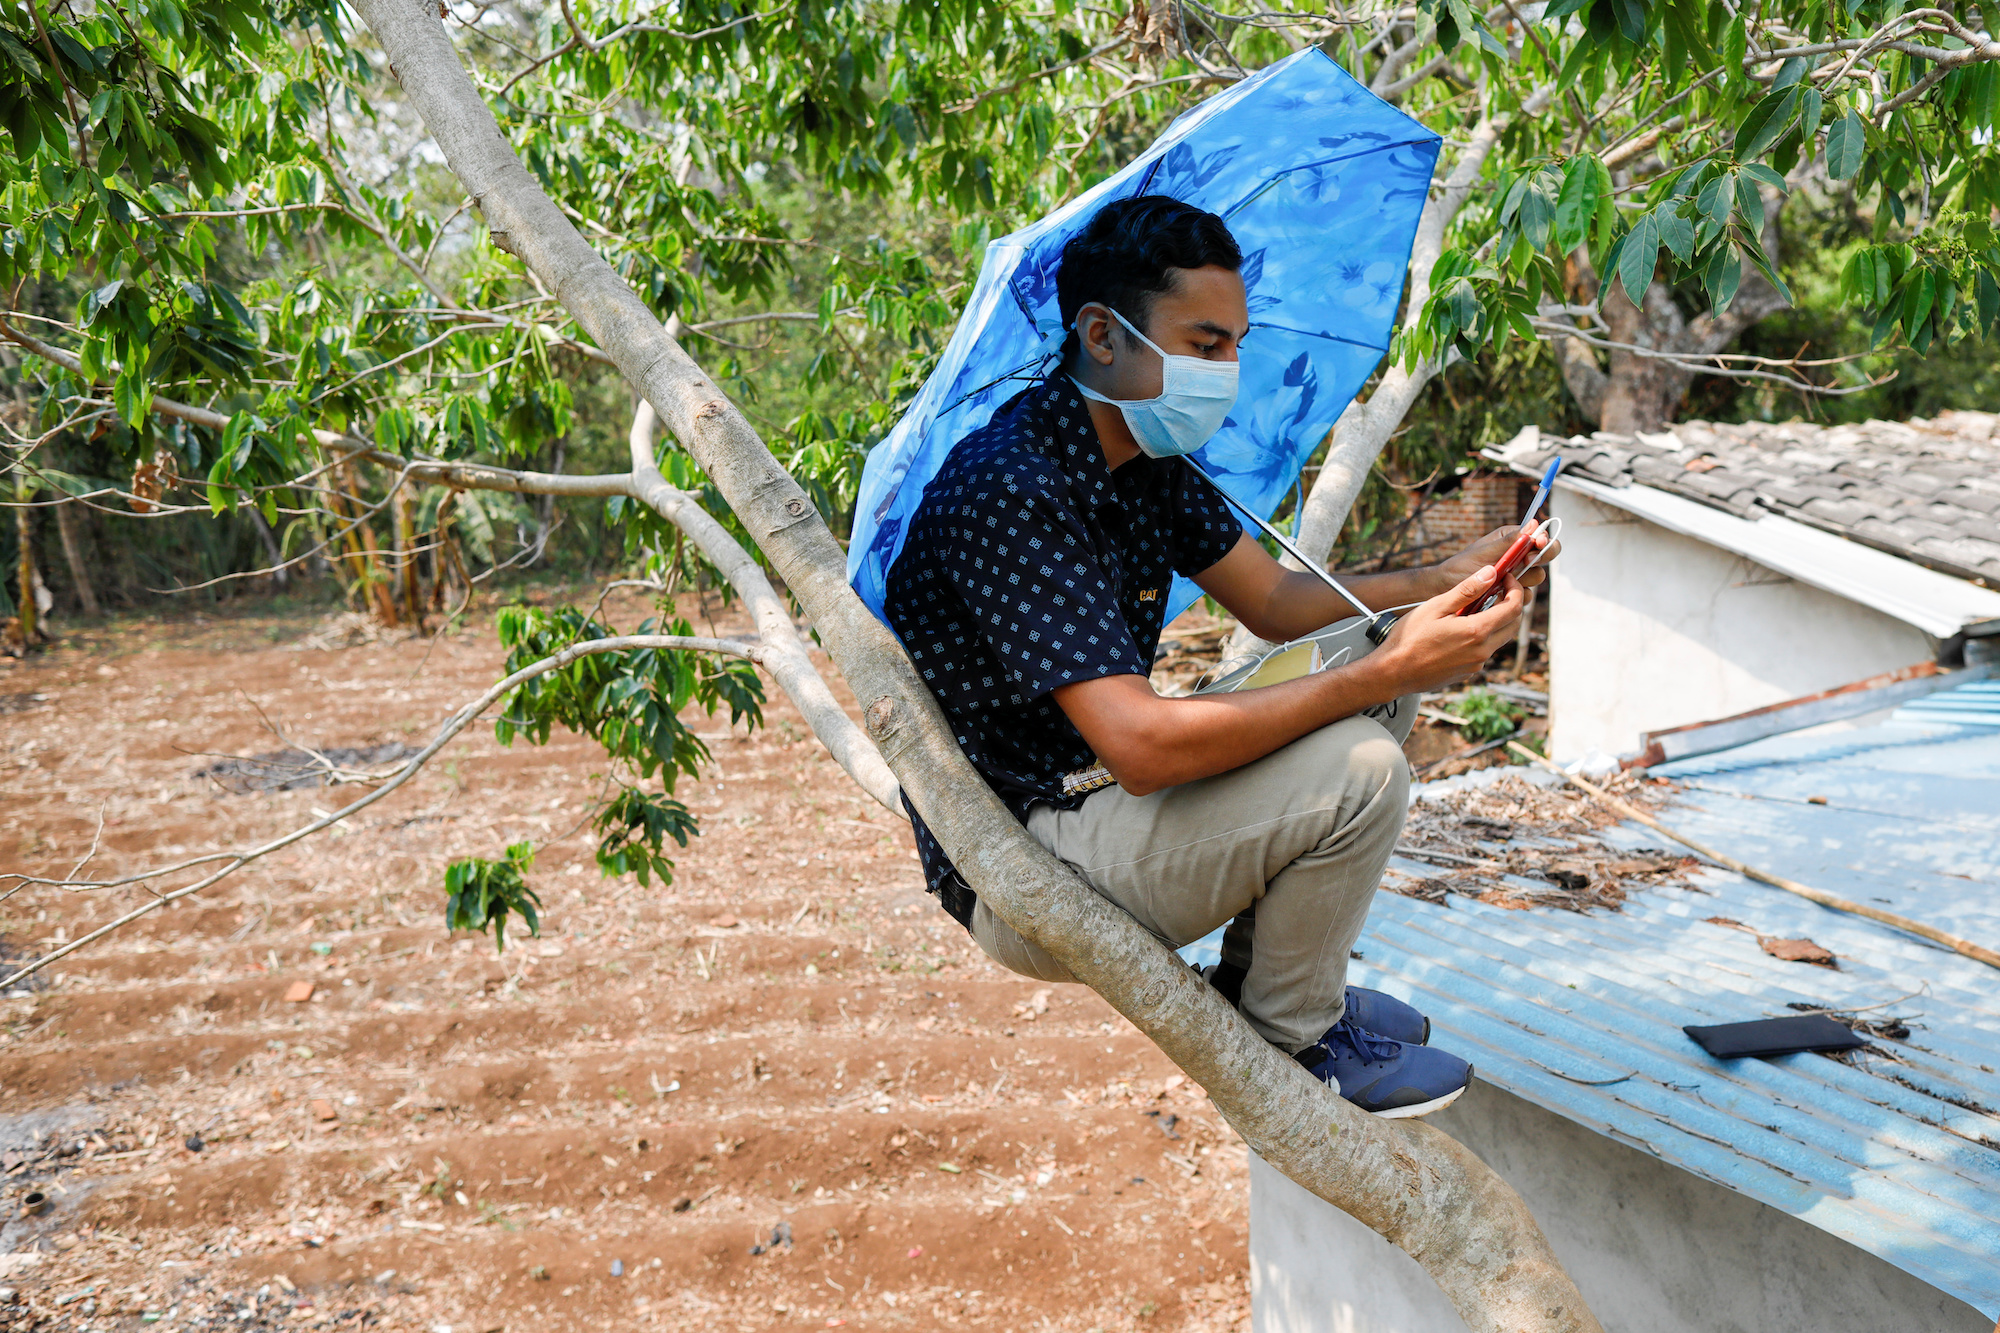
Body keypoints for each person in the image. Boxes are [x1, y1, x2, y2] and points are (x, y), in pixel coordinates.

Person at [882, 195, 1556, 1118]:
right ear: (1102, 336)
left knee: (1360, 656)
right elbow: (1143, 748)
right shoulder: (1013, 486)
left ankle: (1273, 981)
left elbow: (1277, 603)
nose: (1227, 371)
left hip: (1102, 802)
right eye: (1204, 345)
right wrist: (1390, 669)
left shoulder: (1146, 455)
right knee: (1362, 761)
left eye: (1235, 344)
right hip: (1027, 862)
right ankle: (1295, 1037)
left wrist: (1442, 574)